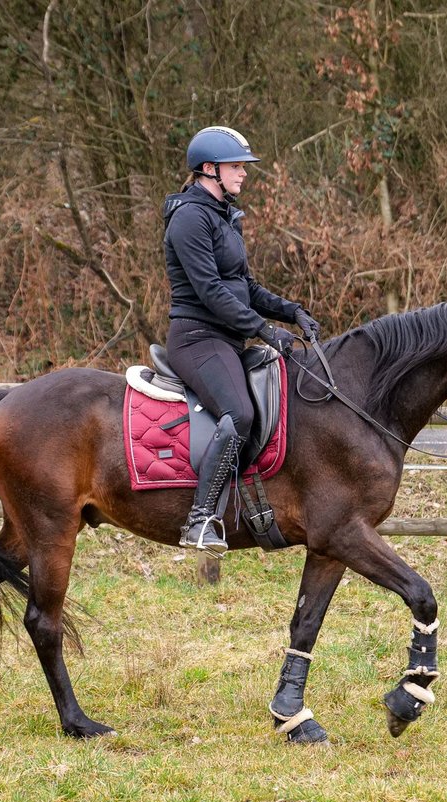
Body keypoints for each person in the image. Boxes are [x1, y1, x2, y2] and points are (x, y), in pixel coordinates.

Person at [162, 125, 320, 556]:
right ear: (209, 169)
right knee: (240, 413)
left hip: (227, 338)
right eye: (237, 166)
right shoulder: (190, 218)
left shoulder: (222, 217)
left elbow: (244, 287)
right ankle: (199, 520)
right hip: (198, 338)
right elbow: (211, 292)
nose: (244, 174)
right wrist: (266, 331)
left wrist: (291, 311)